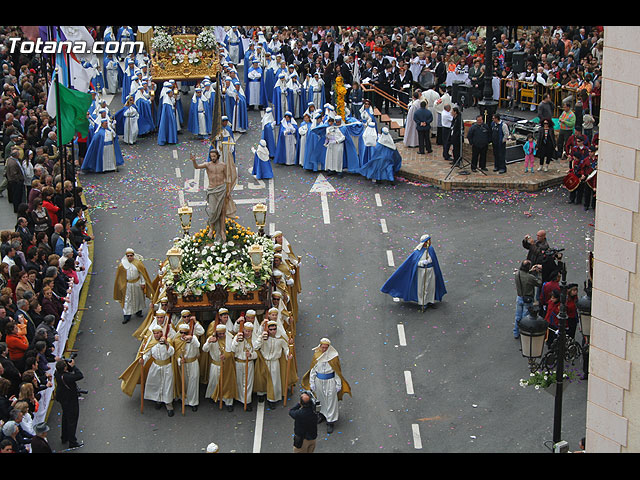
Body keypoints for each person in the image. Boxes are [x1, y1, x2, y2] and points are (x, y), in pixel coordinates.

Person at [381, 233, 447, 310]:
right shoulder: (417, 252)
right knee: (423, 288)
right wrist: (422, 263)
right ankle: (423, 303)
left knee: (431, 286)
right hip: (422, 272)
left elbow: (434, 260)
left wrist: (429, 261)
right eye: (427, 241)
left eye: (429, 241)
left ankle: (430, 301)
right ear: (424, 242)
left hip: (431, 270)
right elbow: (414, 262)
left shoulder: (431, 249)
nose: (429, 243)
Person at [301, 338, 351, 434]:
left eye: (326, 347)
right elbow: (313, 370)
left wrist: (338, 383)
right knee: (321, 399)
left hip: (330, 381)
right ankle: (322, 414)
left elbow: (337, 372)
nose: (324, 349)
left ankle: (330, 421)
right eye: (322, 347)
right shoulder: (316, 356)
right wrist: (312, 382)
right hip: (319, 381)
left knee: (331, 400)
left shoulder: (333, 357)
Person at [190, 150, 237, 242]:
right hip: (212, 190)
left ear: (217, 156)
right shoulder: (208, 165)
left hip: (221, 190)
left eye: (214, 156)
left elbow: (228, 178)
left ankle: (222, 231)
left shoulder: (223, 165)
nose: (213, 158)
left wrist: (228, 191)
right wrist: (194, 161)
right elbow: (197, 167)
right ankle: (211, 229)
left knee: (222, 212)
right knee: (212, 211)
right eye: (211, 156)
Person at [254, 319, 293, 408]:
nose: (273, 331)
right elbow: (256, 347)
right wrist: (261, 338)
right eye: (270, 329)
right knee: (262, 378)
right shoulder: (263, 338)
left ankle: (272, 399)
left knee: (274, 380)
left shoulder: (280, 339)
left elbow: (286, 348)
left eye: (274, 329)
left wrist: (288, 355)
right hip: (264, 361)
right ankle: (261, 393)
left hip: (275, 362)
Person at [139, 325, 176, 416]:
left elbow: (172, 352)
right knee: (157, 384)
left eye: (158, 333)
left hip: (167, 366)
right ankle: (158, 400)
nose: (156, 335)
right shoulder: (151, 343)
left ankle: (168, 404)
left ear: (161, 333)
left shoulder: (168, 341)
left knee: (167, 386)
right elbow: (147, 354)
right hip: (155, 367)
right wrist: (143, 359)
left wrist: (167, 344)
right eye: (154, 333)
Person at [113, 248, 154, 324]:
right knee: (128, 300)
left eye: (131, 256)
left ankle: (138, 312)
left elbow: (142, 274)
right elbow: (120, 277)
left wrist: (142, 283)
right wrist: (122, 286)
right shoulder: (122, 265)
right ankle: (127, 315)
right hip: (128, 285)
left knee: (138, 298)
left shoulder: (138, 263)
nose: (129, 257)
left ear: (133, 255)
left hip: (137, 284)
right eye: (128, 256)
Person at [54, 357, 83, 448]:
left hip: (63, 399)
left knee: (65, 418)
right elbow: (79, 375)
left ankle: (64, 437)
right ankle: (72, 441)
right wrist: (73, 366)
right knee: (72, 420)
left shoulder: (57, 374)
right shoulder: (67, 377)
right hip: (70, 400)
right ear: (65, 368)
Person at [230, 322, 258, 411]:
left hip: (249, 363)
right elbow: (232, 349)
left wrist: (251, 355)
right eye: (246, 330)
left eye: (249, 331)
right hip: (238, 362)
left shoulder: (254, 339)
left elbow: (257, 354)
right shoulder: (238, 337)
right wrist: (237, 341)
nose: (247, 333)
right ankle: (238, 398)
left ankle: (247, 400)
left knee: (248, 382)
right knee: (238, 381)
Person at [173, 323, 201, 412]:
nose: (183, 334)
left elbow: (198, 345)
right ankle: (184, 399)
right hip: (183, 365)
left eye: (185, 332)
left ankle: (193, 402)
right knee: (184, 382)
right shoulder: (177, 341)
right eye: (182, 332)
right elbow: (175, 354)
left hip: (193, 363)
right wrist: (179, 360)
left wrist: (191, 339)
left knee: (193, 382)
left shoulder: (194, 338)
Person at [514, 259, 542, 339]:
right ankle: (523, 332)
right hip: (528, 298)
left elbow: (524, 275)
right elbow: (539, 283)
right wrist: (539, 274)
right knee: (524, 317)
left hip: (519, 297)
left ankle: (516, 332)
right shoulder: (530, 277)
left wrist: (530, 270)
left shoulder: (517, 273)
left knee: (518, 316)